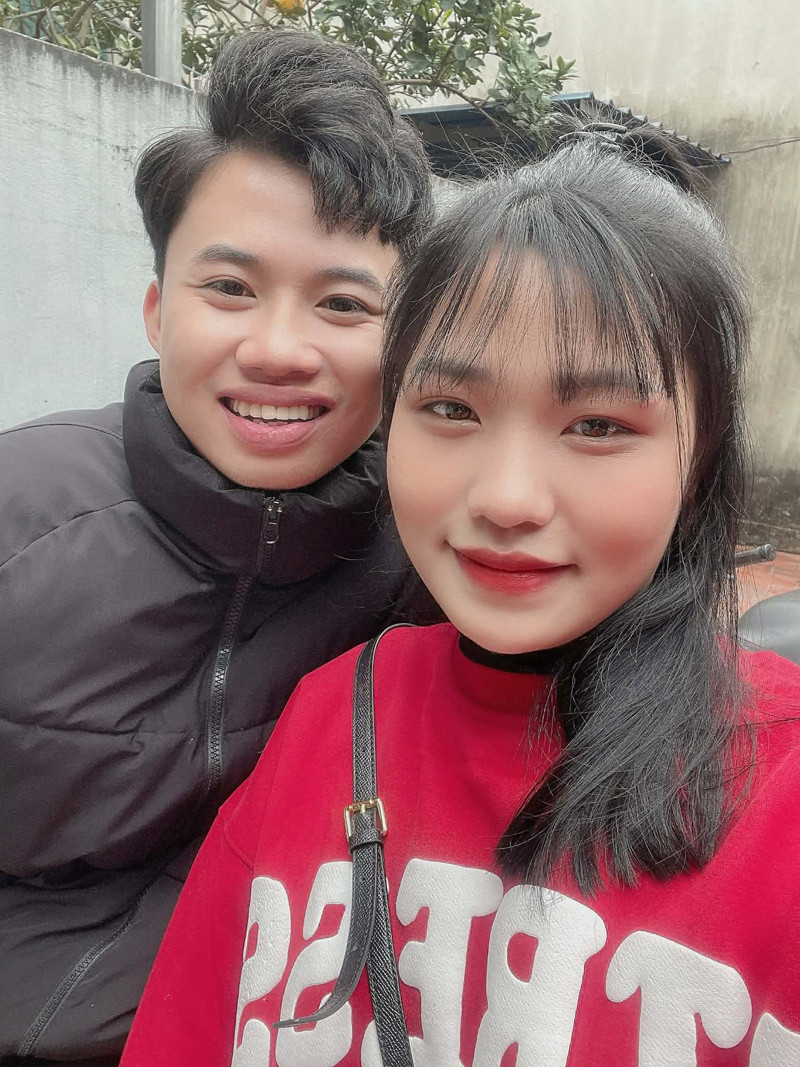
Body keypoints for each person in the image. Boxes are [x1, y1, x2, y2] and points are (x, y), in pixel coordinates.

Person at [121, 129, 800, 1066]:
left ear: (702, 452)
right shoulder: (330, 715)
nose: (507, 499)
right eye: (451, 409)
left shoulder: (781, 792)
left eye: (597, 424)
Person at [0, 29, 437, 1065]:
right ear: (158, 311)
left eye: (342, 304)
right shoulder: (22, 513)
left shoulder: (431, 564)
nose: (279, 350)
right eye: (230, 288)